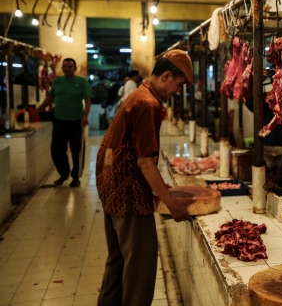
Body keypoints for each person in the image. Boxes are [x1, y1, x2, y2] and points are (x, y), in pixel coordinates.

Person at [96, 50, 194, 306]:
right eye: (178, 85)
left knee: (117, 262)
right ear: (166, 76)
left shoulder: (137, 95)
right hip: (128, 196)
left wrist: (158, 189)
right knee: (141, 267)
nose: (177, 91)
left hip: (112, 189)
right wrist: (171, 204)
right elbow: (145, 162)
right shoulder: (148, 104)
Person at [35, 58, 91, 187]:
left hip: (76, 121)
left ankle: (76, 177)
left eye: (70, 66)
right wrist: (40, 108)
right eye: (65, 66)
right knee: (56, 149)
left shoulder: (81, 82)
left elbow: (88, 100)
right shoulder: (57, 81)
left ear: (75, 68)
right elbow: (50, 97)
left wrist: (85, 116)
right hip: (59, 120)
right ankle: (64, 173)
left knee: (76, 150)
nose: (67, 68)